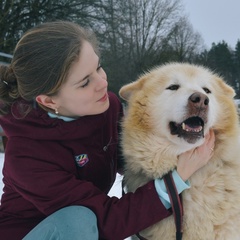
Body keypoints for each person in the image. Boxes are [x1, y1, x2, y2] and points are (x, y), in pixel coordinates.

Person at [0, 21, 215, 240]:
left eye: (98, 67)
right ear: (48, 100)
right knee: (78, 220)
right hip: (34, 233)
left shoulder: (106, 107)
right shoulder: (26, 157)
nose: (102, 82)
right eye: (85, 82)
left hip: (86, 228)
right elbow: (105, 221)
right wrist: (177, 178)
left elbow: (134, 159)